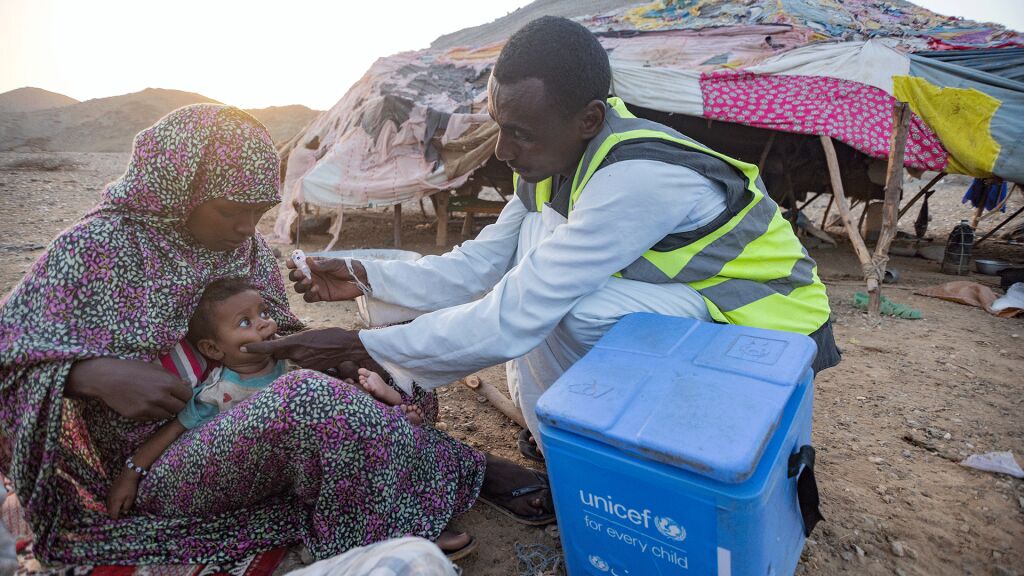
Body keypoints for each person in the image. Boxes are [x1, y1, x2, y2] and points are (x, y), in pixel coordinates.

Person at [248, 16, 841, 462]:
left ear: (587, 118)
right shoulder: (555, 162)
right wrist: (365, 274)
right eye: (500, 128)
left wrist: (372, 347)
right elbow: (480, 265)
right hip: (692, 313)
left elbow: (518, 311)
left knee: (561, 308)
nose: (504, 151)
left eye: (520, 134)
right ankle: (556, 439)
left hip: (769, 336)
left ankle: (580, 447)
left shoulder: (640, 177)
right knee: (533, 246)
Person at [0, 104, 551, 567]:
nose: (247, 229)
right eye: (231, 212)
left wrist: (350, 371)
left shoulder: (246, 250)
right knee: (309, 401)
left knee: (399, 383)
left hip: (246, 419)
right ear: (176, 191)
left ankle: (432, 476)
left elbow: (279, 338)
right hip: (153, 466)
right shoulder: (95, 250)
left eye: (260, 212)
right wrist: (91, 374)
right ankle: (396, 518)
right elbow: (10, 349)